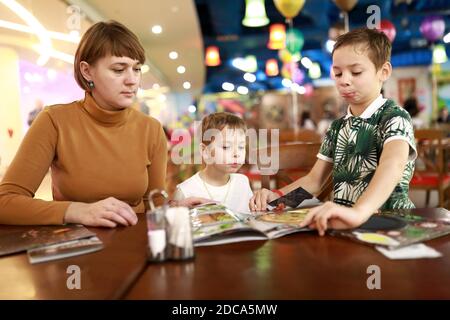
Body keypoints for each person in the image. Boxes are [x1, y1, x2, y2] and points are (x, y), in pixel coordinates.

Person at [0, 20, 207, 227]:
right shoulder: (55, 121)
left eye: (136, 69)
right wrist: (76, 210)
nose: (132, 80)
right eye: (119, 70)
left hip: (138, 246)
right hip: (79, 251)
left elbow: (152, 202)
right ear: (87, 71)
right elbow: (5, 202)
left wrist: (174, 208)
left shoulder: (151, 128)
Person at [250, 28, 417, 235]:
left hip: (390, 223)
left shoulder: (394, 117)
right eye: (337, 73)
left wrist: (358, 212)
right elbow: (314, 181)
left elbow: (394, 164)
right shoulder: (337, 127)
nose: (344, 80)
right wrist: (276, 199)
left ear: (383, 72)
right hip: (341, 224)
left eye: (356, 72)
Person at [174, 112, 254, 213]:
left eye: (241, 147)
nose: (236, 154)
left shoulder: (242, 182)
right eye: (226, 147)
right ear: (205, 151)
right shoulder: (186, 191)